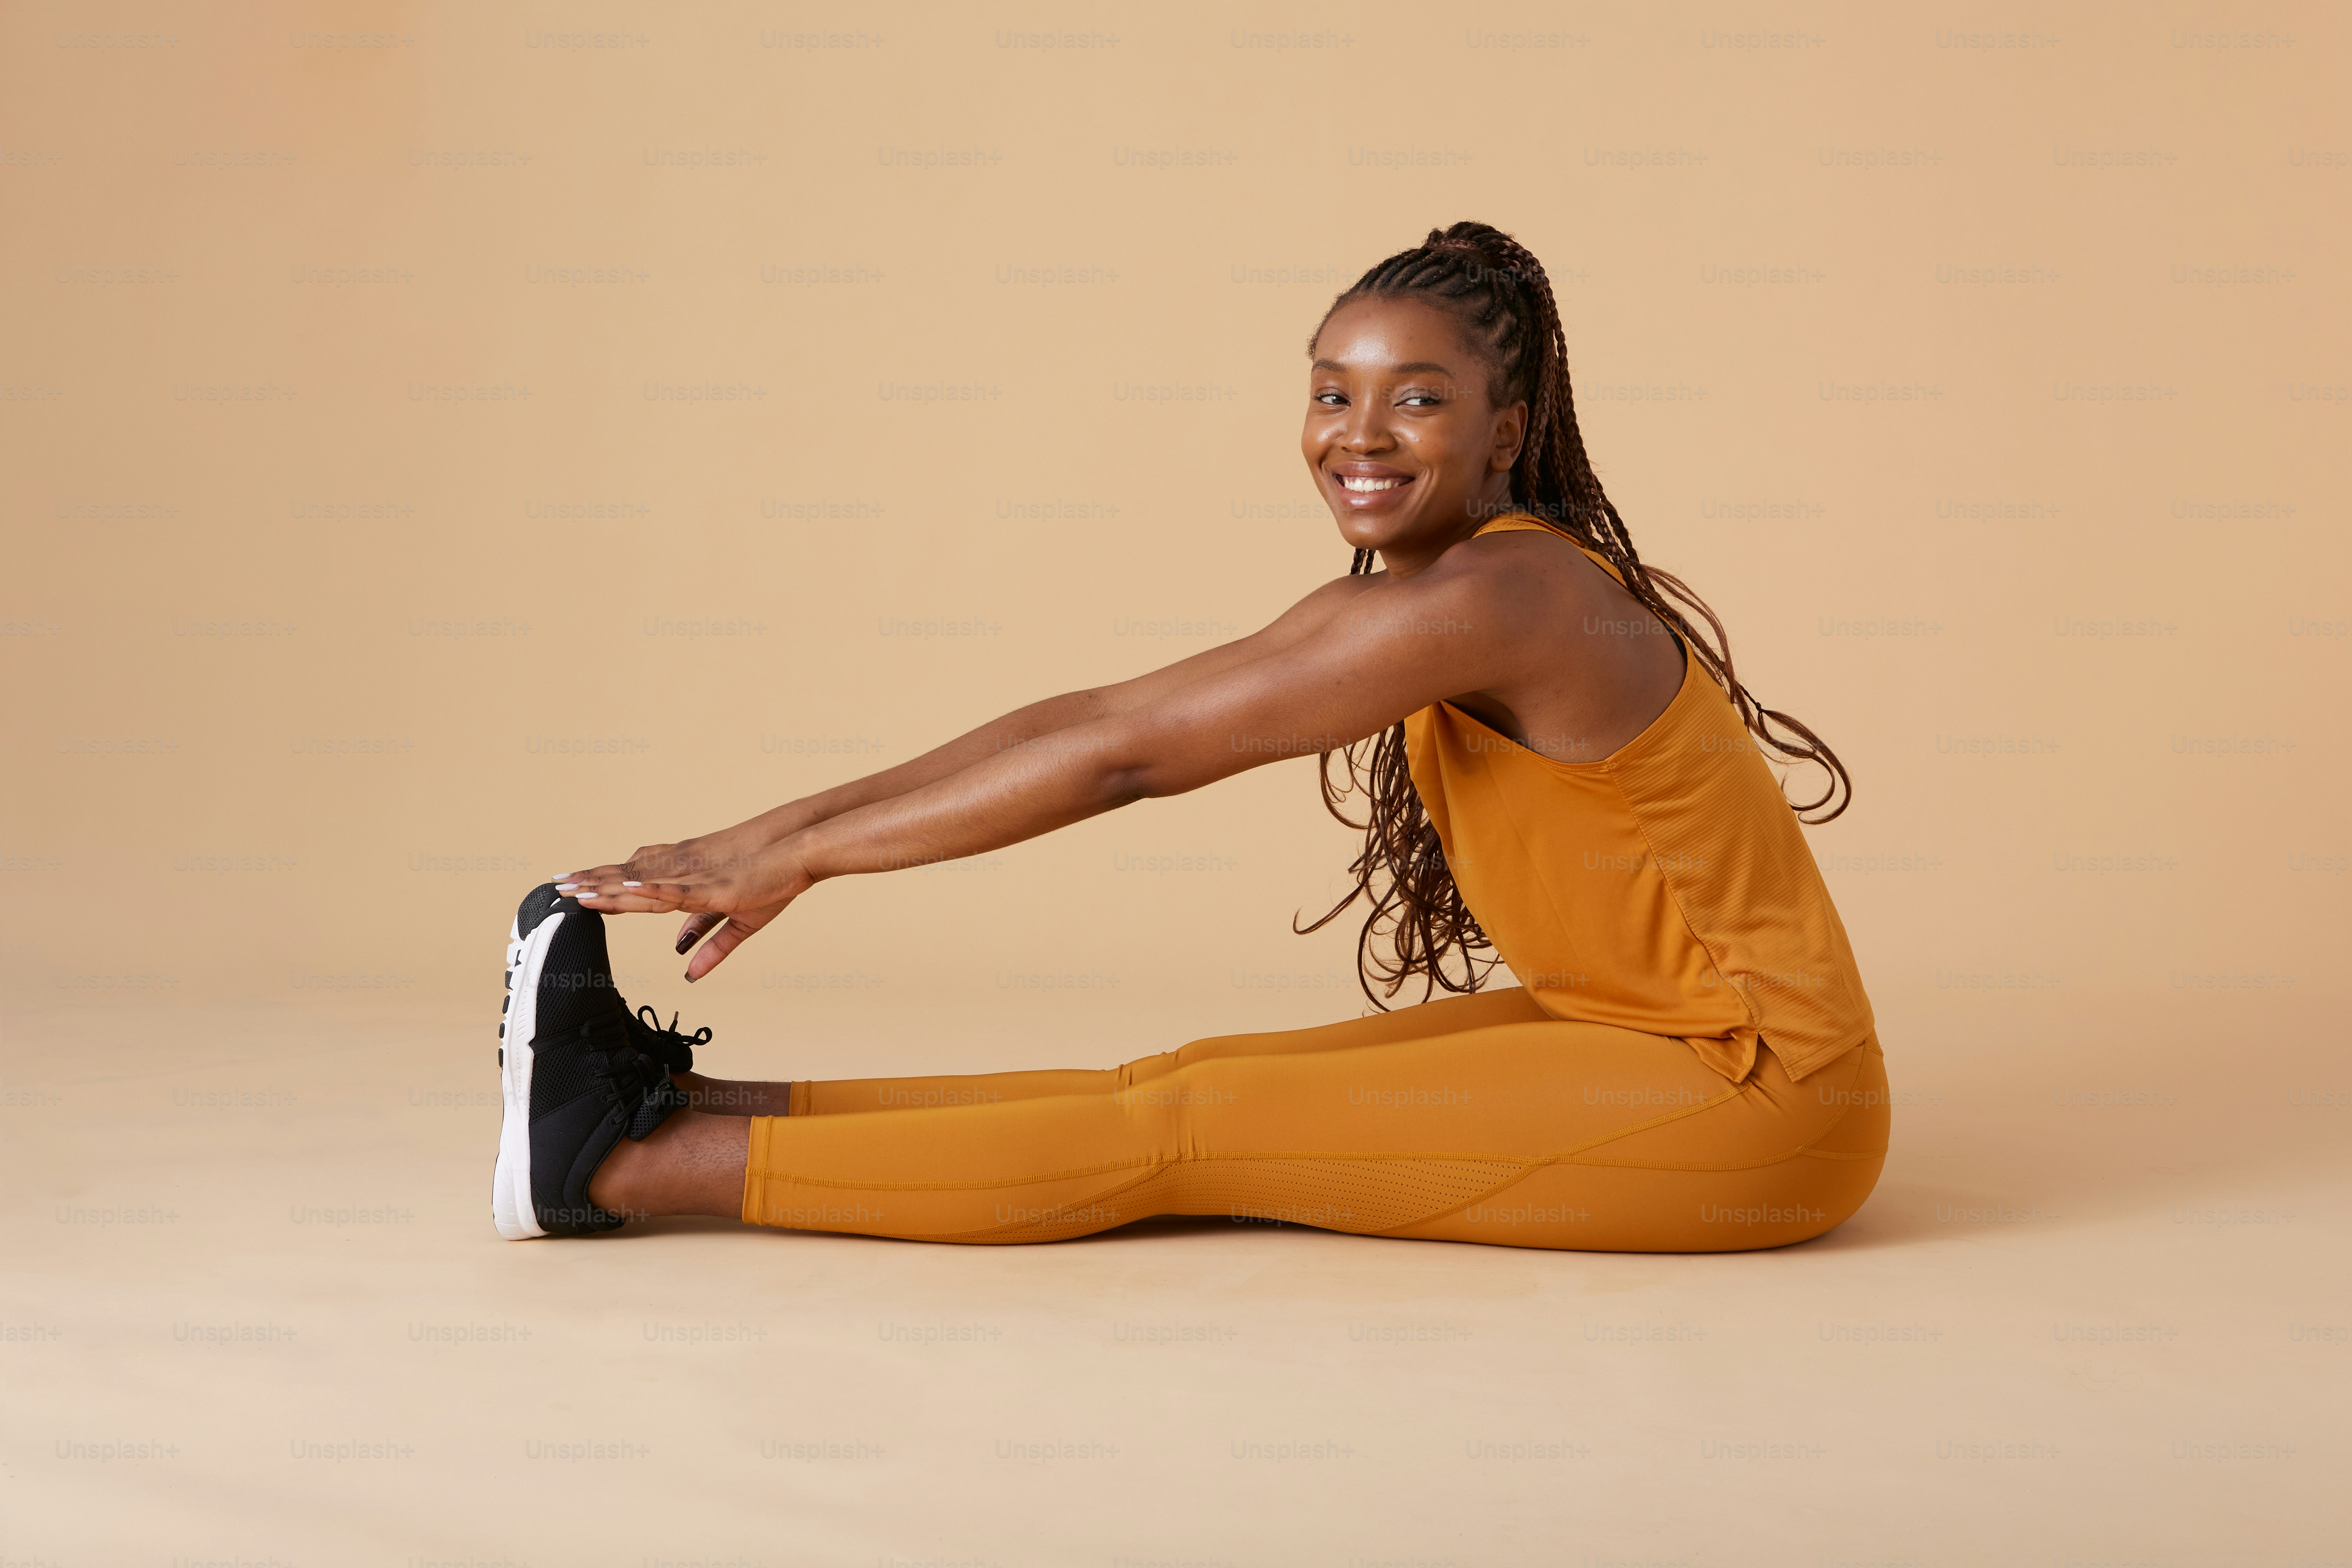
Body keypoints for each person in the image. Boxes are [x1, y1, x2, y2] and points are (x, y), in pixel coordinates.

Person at [492, 221, 1890, 1252]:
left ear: (1504, 430)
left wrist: (807, 864)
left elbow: (1131, 764)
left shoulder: (1505, 596)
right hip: (1633, 1036)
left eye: (1419, 396)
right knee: (1179, 1079)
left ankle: (620, 1170)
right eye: (1333, 390)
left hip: (1758, 1095)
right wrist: (771, 839)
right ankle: (670, 1102)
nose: (1361, 431)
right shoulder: (1427, 591)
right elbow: (1101, 716)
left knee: (1186, 1131)